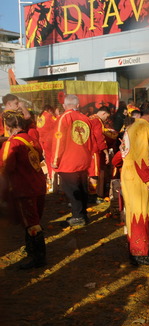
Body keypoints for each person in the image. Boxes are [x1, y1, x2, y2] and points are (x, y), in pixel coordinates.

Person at [0, 112, 48, 269]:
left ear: (8, 127)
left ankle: (38, 257)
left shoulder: (12, 143)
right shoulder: (31, 138)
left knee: (31, 223)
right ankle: (31, 249)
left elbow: (5, 167)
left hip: (24, 187)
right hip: (38, 184)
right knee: (34, 219)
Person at [120, 102, 149, 266]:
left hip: (128, 173)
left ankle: (134, 248)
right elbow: (142, 158)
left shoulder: (132, 126)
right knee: (142, 211)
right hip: (137, 176)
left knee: (132, 212)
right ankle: (140, 251)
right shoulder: (144, 127)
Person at [52, 95, 94, 227]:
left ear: (64, 105)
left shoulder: (64, 117)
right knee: (82, 188)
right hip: (83, 159)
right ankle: (83, 214)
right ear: (78, 105)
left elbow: (59, 140)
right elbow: (90, 140)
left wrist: (55, 159)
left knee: (72, 190)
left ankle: (78, 217)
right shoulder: (85, 118)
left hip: (68, 160)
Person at [88, 106, 111, 200]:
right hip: (94, 150)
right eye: (107, 117)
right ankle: (92, 195)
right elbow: (99, 137)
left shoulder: (89, 118)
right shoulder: (97, 121)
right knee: (94, 173)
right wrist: (105, 152)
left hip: (86, 149)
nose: (106, 119)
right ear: (103, 113)